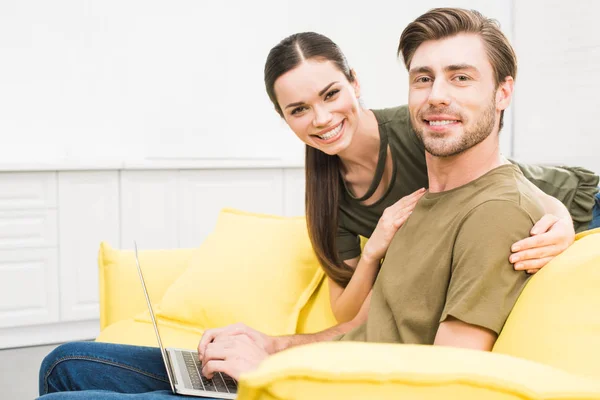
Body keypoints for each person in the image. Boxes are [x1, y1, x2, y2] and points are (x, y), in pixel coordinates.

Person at [37, 8, 600, 399]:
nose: (437, 96)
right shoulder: (398, 194)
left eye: (460, 78)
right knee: (61, 362)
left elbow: (509, 188)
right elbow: (363, 320)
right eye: (422, 78)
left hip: (580, 196)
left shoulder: (437, 148)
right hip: (328, 368)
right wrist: (272, 346)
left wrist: (553, 217)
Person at [265, 32, 598, 323]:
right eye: (299, 109)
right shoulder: (329, 198)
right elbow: (345, 312)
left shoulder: (420, 125)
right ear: (284, 118)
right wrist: (372, 252)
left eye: (330, 94)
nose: (322, 118)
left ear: (354, 82)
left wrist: (561, 218)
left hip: (575, 208)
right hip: (513, 241)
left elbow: (501, 176)